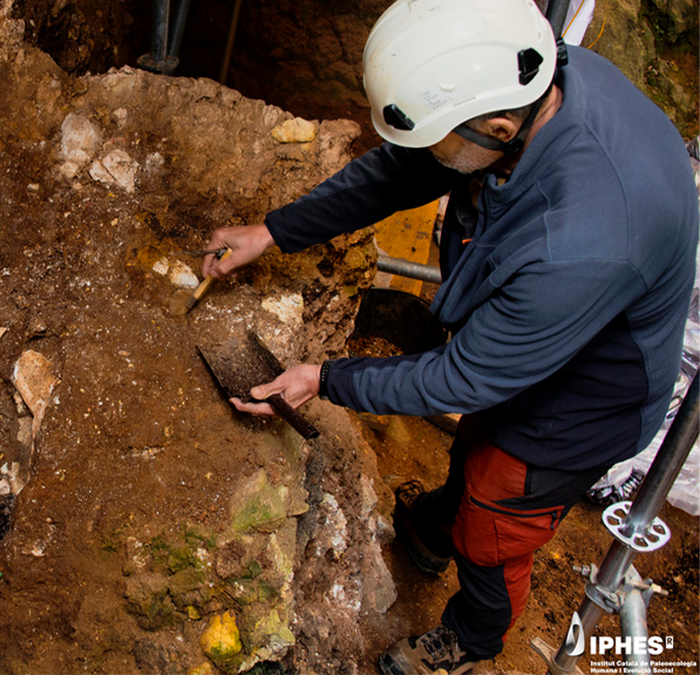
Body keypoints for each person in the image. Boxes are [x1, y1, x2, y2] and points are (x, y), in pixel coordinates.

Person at [200, 0, 699, 673]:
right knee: (475, 449)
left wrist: (321, 378)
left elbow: (462, 376)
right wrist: (274, 230)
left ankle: (473, 635)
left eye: (438, 140)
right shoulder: (528, 91)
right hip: (541, 330)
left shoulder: (581, 240)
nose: (429, 156)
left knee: (497, 512)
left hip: (583, 402)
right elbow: (402, 171)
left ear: (496, 128)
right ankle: (438, 525)